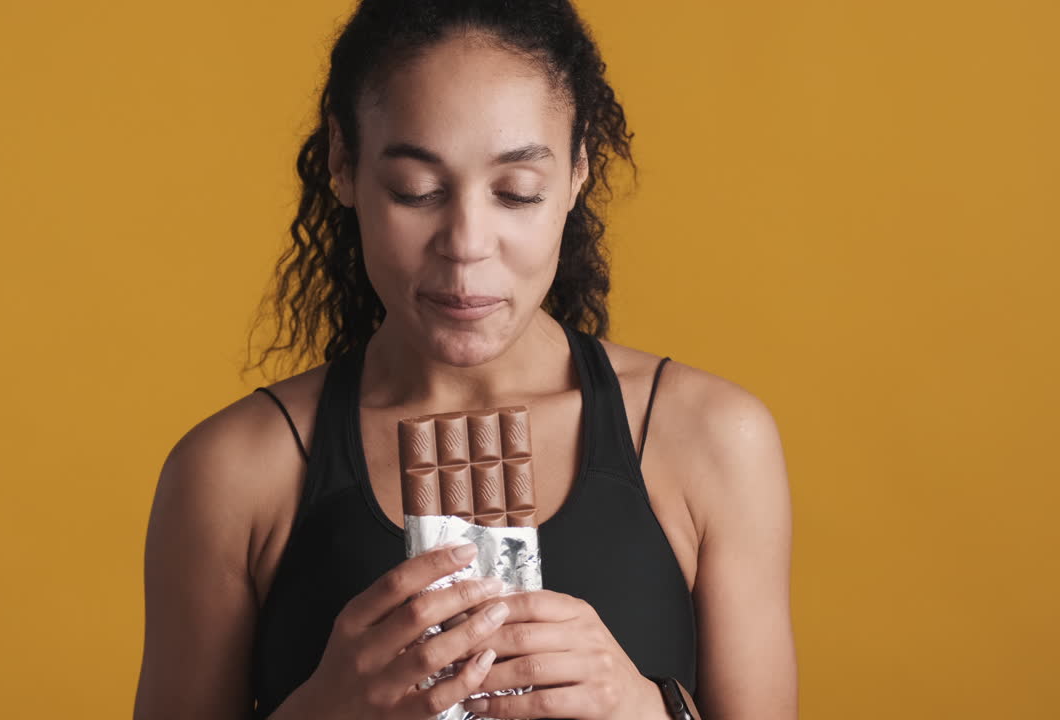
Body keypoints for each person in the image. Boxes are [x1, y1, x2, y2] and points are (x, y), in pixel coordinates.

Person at [133, 1, 797, 719]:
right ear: (342, 164)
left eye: (517, 192)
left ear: (577, 174)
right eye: (416, 192)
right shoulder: (233, 472)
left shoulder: (711, 439)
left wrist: (646, 708)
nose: (466, 242)